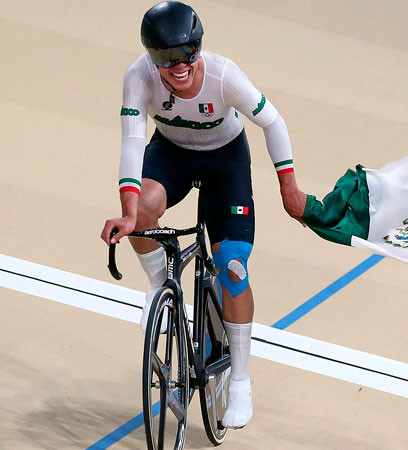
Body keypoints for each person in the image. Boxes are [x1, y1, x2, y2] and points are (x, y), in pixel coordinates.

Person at [100, 1, 306, 429]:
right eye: (166, 59)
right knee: (140, 214)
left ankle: (241, 381)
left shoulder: (224, 75)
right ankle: (161, 291)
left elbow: (273, 122)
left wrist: (289, 188)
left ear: (199, 49)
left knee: (232, 265)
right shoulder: (137, 77)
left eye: (187, 55)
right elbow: (132, 142)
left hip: (225, 161)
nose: (179, 67)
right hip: (171, 154)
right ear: (151, 57)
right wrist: (127, 211)